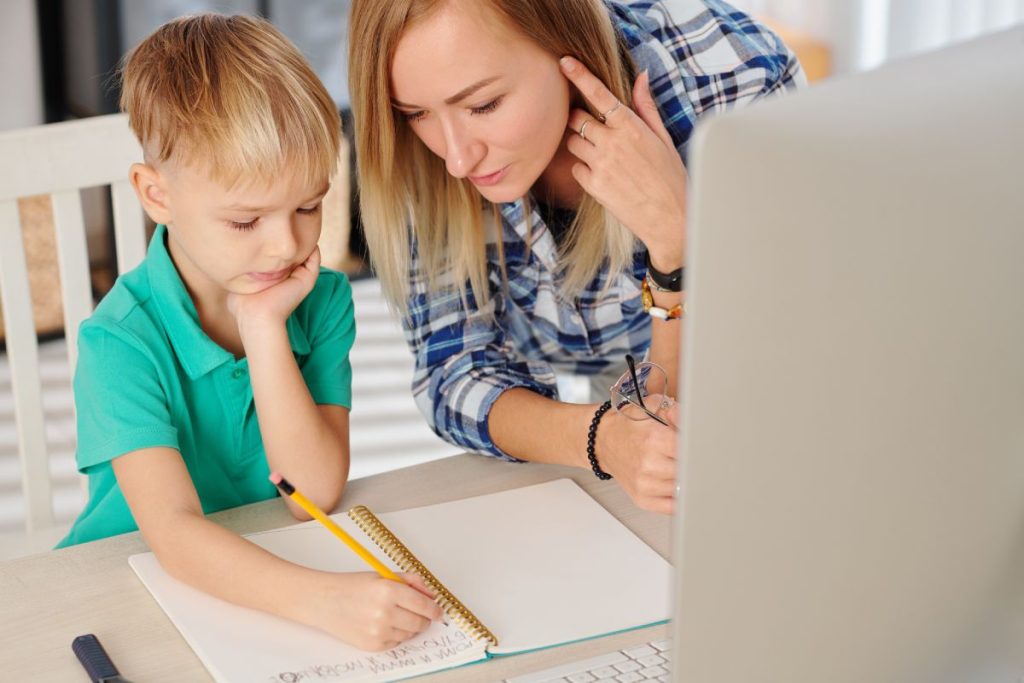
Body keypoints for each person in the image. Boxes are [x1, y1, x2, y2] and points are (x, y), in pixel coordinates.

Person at [57, 14, 440, 651]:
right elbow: (173, 534)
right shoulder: (118, 343)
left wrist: (262, 327)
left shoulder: (319, 301)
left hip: (266, 565)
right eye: (244, 221)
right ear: (156, 196)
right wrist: (321, 600)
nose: (286, 243)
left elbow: (309, 494)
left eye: (308, 206)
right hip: (125, 590)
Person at [348, 0, 804, 514]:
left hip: (723, 347)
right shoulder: (415, 151)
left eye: (483, 105)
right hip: (598, 378)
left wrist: (676, 244)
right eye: (416, 114)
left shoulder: (736, 87)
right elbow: (454, 373)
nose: (456, 159)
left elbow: (775, 353)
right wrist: (602, 437)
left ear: (566, 44)